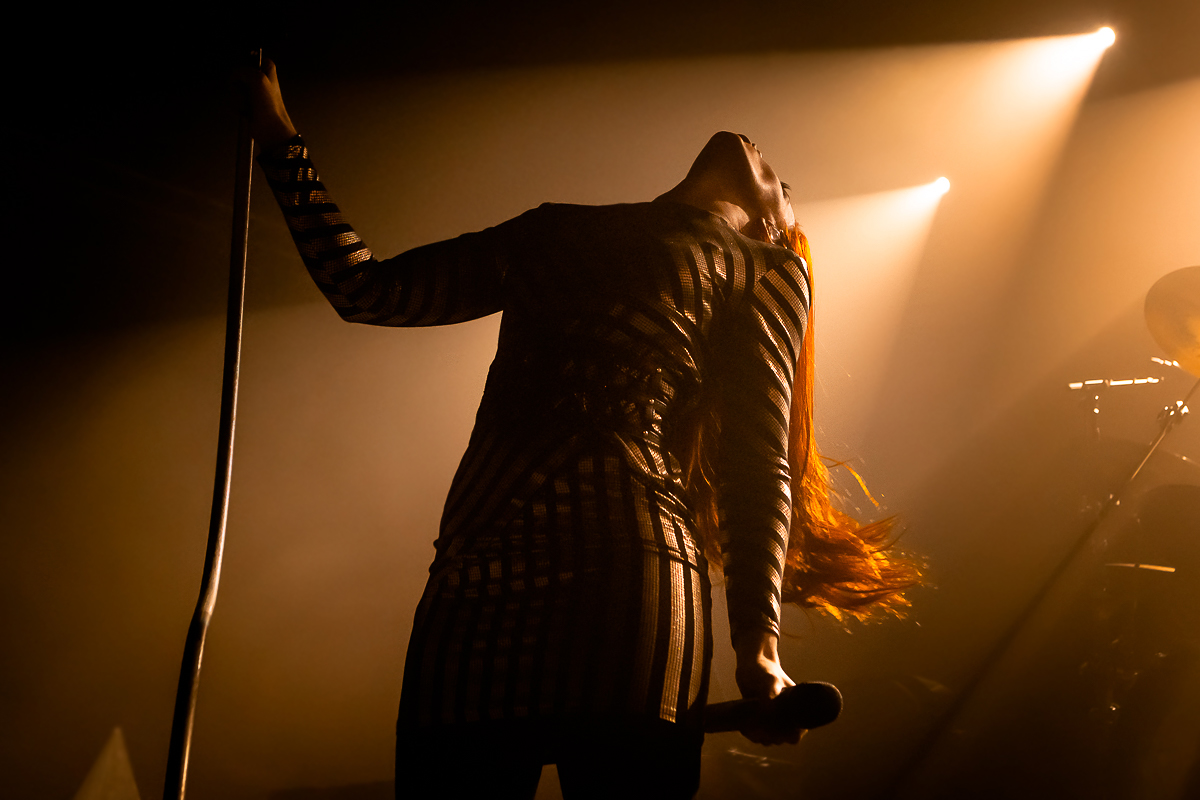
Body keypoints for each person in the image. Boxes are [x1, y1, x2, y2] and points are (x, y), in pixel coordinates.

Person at [243, 60, 918, 799]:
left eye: (785, 186)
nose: (767, 160)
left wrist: (758, 651)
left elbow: (756, 465)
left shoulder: (765, 269)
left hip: (628, 579)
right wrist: (278, 134)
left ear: (771, 225)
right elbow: (367, 291)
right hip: (471, 582)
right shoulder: (553, 230)